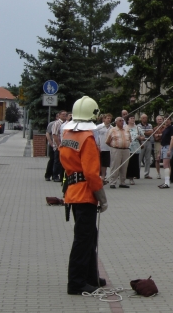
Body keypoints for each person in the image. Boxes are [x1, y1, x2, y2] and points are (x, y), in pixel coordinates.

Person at [59, 96, 108, 295]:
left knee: (89, 237)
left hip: (73, 190)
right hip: (85, 193)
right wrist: (102, 197)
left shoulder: (68, 134)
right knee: (83, 239)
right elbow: (90, 173)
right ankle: (77, 282)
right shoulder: (87, 138)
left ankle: (90, 276)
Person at [105, 117, 131, 189]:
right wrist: (113, 147)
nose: (122, 122)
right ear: (116, 122)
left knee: (124, 166)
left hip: (126, 149)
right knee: (115, 166)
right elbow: (107, 141)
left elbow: (130, 139)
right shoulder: (112, 130)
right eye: (120, 121)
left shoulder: (127, 130)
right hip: (116, 149)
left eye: (122, 120)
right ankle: (113, 182)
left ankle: (122, 182)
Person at [158, 116, 173, 189]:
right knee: (167, 165)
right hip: (164, 147)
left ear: (170, 120)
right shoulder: (165, 129)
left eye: (168, 119)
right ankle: (167, 181)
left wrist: (170, 149)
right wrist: (160, 152)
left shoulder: (172, 128)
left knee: (165, 164)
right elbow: (162, 141)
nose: (166, 121)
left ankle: (167, 182)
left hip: (168, 147)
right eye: (165, 119)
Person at [94, 113, 113, 183]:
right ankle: (98, 176)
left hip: (107, 148)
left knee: (105, 164)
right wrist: (97, 145)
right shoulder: (99, 127)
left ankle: (103, 177)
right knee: (99, 163)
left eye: (110, 118)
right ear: (104, 119)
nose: (109, 120)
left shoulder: (112, 128)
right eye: (107, 118)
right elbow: (96, 137)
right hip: (100, 147)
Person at [125, 116, 144, 185]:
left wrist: (140, 138)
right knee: (127, 163)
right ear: (128, 120)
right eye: (131, 118)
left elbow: (143, 137)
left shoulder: (137, 128)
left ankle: (131, 178)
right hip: (127, 147)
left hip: (135, 148)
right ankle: (123, 177)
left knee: (134, 163)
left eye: (133, 118)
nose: (133, 119)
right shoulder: (125, 127)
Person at [51, 110, 68, 182]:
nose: (64, 115)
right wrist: (58, 145)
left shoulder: (66, 123)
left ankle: (61, 176)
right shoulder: (57, 123)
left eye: (65, 114)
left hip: (64, 145)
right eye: (63, 114)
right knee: (57, 161)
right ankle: (55, 176)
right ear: (59, 115)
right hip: (58, 145)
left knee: (62, 162)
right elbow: (54, 134)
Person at [138, 114, 154, 179]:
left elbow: (151, 132)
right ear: (141, 119)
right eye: (143, 118)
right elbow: (139, 133)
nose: (145, 119)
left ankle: (146, 174)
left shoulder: (150, 125)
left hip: (148, 141)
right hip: (141, 142)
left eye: (146, 118)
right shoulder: (138, 126)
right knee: (139, 158)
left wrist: (143, 132)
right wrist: (146, 132)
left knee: (148, 158)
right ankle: (137, 173)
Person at [44, 111, 58, 181]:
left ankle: (54, 174)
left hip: (58, 145)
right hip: (52, 145)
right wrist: (51, 142)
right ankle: (48, 175)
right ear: (56, 117)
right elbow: (47, 133)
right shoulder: (52, 124)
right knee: (52, 159)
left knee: (57, 161)